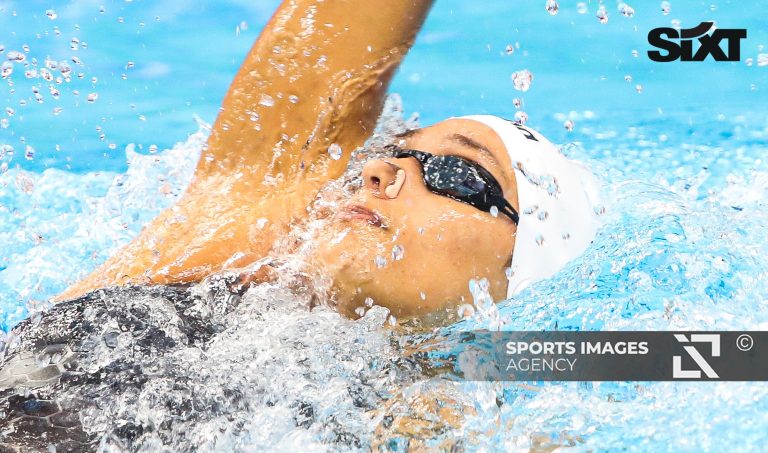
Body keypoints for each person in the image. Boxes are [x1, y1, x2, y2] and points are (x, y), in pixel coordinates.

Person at [57, 0, 599, 322]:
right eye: (391, 154)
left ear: (520, 274)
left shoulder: (460, 428)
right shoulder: (225, 244)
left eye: (456, 172)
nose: (377, 173)